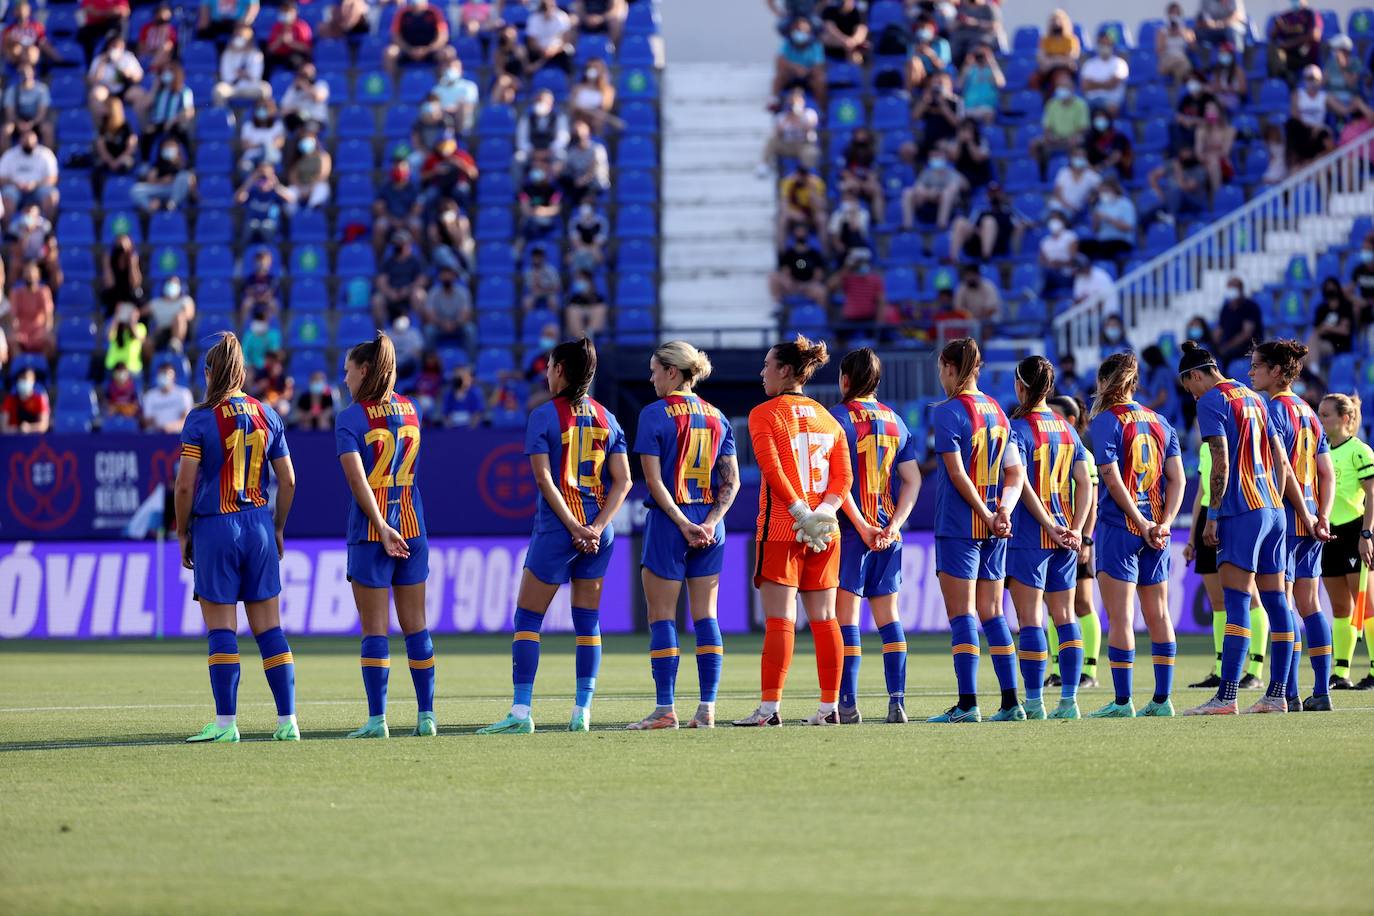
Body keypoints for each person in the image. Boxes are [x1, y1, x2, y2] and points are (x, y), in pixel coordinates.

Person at [478, 339, 632, 734]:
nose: (546, 373)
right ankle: (582, 712)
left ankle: (520, 713)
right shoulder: (607, 418)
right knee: (588, 622)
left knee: (528, 618)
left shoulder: (544, 416)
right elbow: (624, 481)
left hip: (557, 531)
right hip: (600, 532)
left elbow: (545, 480)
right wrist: (595, 528)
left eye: (549, 366)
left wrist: (574, 526)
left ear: (561, 369)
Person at [173, 333, 297, 743]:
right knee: (270, 629)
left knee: (222, 629)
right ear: (242, 372)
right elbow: (289, 480)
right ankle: (287, 722)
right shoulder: (267, 414)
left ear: (210, 373)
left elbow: (185, 487)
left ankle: (226, 724)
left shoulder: (200, 418)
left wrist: (182, 533)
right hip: (259, 524)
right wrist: (278, 527)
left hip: (216, 527)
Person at [732, 336, 853, 727]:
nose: (762, 371)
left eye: (768, 364)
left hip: (784, 529)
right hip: (825, 532)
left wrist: (801, 512)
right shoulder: (828, 418)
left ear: (785, 370)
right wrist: (824, 512)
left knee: (781, 621)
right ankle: (830, 708)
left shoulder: (764, 413)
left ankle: (768, 710)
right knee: (825, 619)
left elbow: (772, 469)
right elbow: (843, 477)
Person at [1177, 340, 1298, 715]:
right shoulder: (1256, 397)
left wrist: (1213, 515)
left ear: (1196, 376)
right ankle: (1276, 694)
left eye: (1189, 386)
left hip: (1241, 510)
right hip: (1273, 509)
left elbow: (1220, 461)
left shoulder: (1211, 401)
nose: (1191, 393)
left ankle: (1226, 696)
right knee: (1277, 602)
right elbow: (1281, 458)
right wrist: (1274, 500)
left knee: (1237, 603)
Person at [627, 342, 739, 730]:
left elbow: (653, 481)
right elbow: (732, 481)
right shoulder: (718, 417)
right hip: (710, 524)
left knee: (661, 617)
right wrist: (709, 522)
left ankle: (665, 709)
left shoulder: (653, 414)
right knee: (707, 616)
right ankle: (707, 708)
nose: (652, 377)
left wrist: (681, 522)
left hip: (670, 524)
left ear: (672, 372)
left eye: (655, 370)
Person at [333, 334, 436, 739]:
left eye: (347, 371)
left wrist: (379, 526)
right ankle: (426, 716)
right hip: (412, 526)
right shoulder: (413, 410)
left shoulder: (350, 418)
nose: (344, 380)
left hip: (371, 532)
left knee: (375, 631)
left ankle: (378, 720)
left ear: (364, 370)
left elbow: (358, 482)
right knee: (417, 628)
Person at [927, 337, 1026, 723]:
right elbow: (1015, 473)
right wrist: (1003, 510)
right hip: (995, 529)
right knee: (993, 613)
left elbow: (956, 473)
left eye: (941, 369)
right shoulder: (999, 411)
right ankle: (1011, 702)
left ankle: (968, 704)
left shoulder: (950, 411)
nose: (941, 377)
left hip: (960, 526)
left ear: (950, 368)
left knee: (963, 615)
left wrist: (986, 513)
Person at [1085, 352, 1186, 718]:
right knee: (1159, 614)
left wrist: (1139, 523)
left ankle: (1123, 701)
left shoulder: (1105, 421)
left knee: (1121, 618)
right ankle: (1162, 700)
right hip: (1158, 531)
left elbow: (1111, 477)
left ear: (1105, 382)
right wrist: (1165, 521)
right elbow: (1178, 479)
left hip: (1120, 528)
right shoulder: (1161, 422)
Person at [829, 349, 921, 724]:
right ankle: (896, 700)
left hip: (852, 532)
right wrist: (895, 525)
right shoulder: (897, 421)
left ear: (845, 379)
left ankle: (847, 704)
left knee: (846, 620)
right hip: (888, 532)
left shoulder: (836, 418)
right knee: (889, 618)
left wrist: (862, 525)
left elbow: (839, 481)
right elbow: (913, 480)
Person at [1004, 357, 1093, 719]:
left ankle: (1035, 702)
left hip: (1031, 537)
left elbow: (1021, 484)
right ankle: (1069, 700)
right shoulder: (1067, 430)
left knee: (1030, 621)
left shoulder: (1018, 428)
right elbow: (1086, 483)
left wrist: (1048, 525)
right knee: (1065, 617)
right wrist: (1074, 527)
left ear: (1021, 386)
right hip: (1066, 540)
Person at [1250, 340, 1337, 710]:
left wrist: (1301, 514)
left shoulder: (1272, 410)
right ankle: (1320, 692)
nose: (1250, 371)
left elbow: (1284, 470)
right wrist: (1322, 515)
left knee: (1282, 605)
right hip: (1313, 518)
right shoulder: (1308, 412)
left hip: (1286, 518)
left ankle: (1284, 692)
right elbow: (1326, 472)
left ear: (1276, 372)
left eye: (1256, 366)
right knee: (1310, 604)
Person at [1316, 394, 1374, 690]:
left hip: (1355, 532)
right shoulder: (1321, 450)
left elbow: (1372, 495)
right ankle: (1341, 673)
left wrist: (1367, 534)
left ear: (1345, 418)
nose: (1321, 418)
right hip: (1330, 534)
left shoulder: (1359, 450)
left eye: (1326, 414)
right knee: (1340, 607)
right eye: (1320, 413)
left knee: (1366, 606)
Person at [1030, 72, 1090, 175]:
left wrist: (1073, 137)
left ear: (1072, 89)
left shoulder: (1081, 105)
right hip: (1055, 138)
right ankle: (1041, 174)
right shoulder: (1052, 104)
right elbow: (1047, 126)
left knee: (1077, 142)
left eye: (1065, 87)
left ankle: (1073, 173)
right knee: (1035, 144)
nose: (1061, 90)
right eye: (1059, 87)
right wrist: (1049, 136)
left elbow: (1083, 128)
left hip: (1073, 138)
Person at [948, 182, 1021, 261]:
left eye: (997, 193)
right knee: (960, 221)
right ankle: (953, 258)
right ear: (987, 195)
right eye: (992, 193)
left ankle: (986, 257)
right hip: (978, 244)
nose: (994, 195)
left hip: (998, 245)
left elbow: (1020, 224)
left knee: (989, 221)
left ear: (1002, 194)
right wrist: (981, 232)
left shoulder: (1008, 212)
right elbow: (971, 226)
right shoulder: (980, 211)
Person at [901, 144, 966, 230]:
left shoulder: (952, 173)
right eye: (932, 156)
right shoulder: (926, 173)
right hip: (927, 205)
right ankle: (907, 225)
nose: (935, 158)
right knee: (907, 192)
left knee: (947, 193)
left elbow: (953, 188)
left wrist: (937, 193)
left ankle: (942, 224)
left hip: (949, 209)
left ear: (944, 157)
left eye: (937, 155)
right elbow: (918, 187)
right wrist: (929, 193)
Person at [0, 130, 60, 220]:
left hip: (39, 188)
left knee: (52, 195)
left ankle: (48, 229)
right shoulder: (10, 155)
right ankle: (8, 231)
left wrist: (35, 184)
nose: (28, 143)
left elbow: (53, 178)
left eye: (31, 141)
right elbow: (2, 178)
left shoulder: (46, 154)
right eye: (26, 141)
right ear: (20, 140)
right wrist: (16, 184)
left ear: (36, 140)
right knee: (6, 197)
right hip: (15, 189)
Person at [760, 88, 820, 175]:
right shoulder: (782, 116)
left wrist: (799, 119)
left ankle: (807, 174)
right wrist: (787, 120)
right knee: (772, 140)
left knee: (811, 152)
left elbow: (810, 130)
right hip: (787, 144)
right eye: (792, 102)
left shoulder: (809, 114)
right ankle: (764, 165)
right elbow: (777, 133)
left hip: (803, 144)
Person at [384, 0, 450, 79]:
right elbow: (395, 36)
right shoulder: (402, 13)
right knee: (390, 53)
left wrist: (427, 50)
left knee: (448, 53)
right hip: (407, 50)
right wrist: (409, 50)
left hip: (430, 50)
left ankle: (443, 86)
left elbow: (443, 36)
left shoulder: (434, 12)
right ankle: (393, 87)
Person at [86, 34, 146, 120]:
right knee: (95, 94)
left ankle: (136, 124)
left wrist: (128, 74)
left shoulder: (128, 58)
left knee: (139, 94)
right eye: (114, 46)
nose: (117, 49)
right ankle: (104, 123)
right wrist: (102, 64)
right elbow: (92, 80)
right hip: (106, 89)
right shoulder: (99, 59)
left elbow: (139, 76)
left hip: (125, 88)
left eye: (120, 46)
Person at [1305, 277, 1356, 376]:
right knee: (1304, 347)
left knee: (1309, 347)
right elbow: (1317, 330)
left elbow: (1344, 331)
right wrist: (1328, 328)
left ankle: (1313, 375)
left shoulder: (1345, 307)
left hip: (1338, 344)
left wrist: (1327, 328)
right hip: (1322, 343)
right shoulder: (1322, 309)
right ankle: (1313, 371)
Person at [1286, 65, 1334, 168]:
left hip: (1318, 132)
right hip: (1304, 131)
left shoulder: (1324, 96)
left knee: (1325, 135)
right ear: (1305, 79)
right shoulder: (1298, 94)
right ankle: (1296, 163)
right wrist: (1311, 128)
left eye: (1315, 79)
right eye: (1309, 78)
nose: (1312, 81)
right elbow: (1294, 114)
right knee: (1292, 125)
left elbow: (1344, 110)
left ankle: (1316, 162)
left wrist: (1358, 104)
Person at [142, 62, 195, 153]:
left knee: (182, 134)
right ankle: (146, 162)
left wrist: (174, 120)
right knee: (146, 135)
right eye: (164, 71)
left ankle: (189, 163)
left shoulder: (184, 91)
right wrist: (154, 87)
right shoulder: (159, 90)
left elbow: (188, 111)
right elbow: (146, 104)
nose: (166, 74)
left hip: (174, 122)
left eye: (169, 71)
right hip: (158, 123)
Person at [773, 16, 826, 107]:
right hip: (792, 75)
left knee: (820, 80)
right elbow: (780, 60)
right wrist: (795, 68)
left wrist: (807, 71)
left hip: (809, 75)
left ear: (809, 31)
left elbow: (819, 64)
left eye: (803, 29)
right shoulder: (787, 44)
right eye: (797, 29)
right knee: (779, 76)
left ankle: (821, 108)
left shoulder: (816, 45)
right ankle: (775, 102)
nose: (800, 32)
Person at [1079, 179, 1136, 261]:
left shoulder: (1125, 204)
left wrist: (1108, 219)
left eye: (1105, 190)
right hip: (1102, 240)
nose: (1102, 193)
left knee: (1104, 249)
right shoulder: (1101, 206)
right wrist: (1096, 220)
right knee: (1082, 246)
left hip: (1121, 240)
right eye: (1101, 191)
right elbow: (1095, 230)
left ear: (1114, 190)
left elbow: (1128, 227)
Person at [130, 137, 193, 212]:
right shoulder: (158, 164)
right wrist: (161, 180)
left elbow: (190, 182)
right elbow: (151, 181)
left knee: (184, 175)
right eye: (166, 146)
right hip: (161, 188)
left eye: (171, 146)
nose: (169, 149)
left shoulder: (184, 165)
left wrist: (174, 179)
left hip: (175, 190)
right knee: (136, 189)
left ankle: (172, 204)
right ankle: (151, 207)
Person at [771, 224, 827, 306]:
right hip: (793, 285)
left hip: (808, 286)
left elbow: (818, 275)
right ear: (794, 233)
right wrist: (794, 284)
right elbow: (785, 272)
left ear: (807, 233)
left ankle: (819, 315)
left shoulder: (814, 254)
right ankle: (777, 307)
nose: (800, 233)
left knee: (821, 291)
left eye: (802, 231)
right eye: (798, 231)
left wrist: (805, 285)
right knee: (773, 277)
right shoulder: (789, 253)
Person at [7, 262, 54, 359]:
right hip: (23, 331)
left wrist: (47, 329)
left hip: (38, 330)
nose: (30, 278)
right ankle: (21, 366)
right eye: (27, 274)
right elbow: (13, 315)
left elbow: (48, 314)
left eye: (32, 275)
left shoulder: (44, 291)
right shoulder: (16, 293)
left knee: (50, 341)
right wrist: (14, 329)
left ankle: (40, 366)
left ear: (38, 276)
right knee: (12, 341)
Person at [212, 25, 269, 106]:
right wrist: (237, 75)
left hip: (250, 87)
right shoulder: (228, 53)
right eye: (238, 36)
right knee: (218, 90)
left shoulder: (255, 54)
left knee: (265, 89)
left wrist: (246, 74)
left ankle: (259, 116)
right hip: (232, 87)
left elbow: (256, 76)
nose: (240, 39)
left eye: (242, 36)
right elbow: (225, 75)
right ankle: (223, 116)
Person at [1213, 276, 1264, 364]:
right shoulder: (1226, 308)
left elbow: (1246, 334)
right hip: (1227, 344)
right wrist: (1212, 343)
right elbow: (1219, 330)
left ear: (1240, 290)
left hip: (1247, 347)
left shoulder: (1250, 307)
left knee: (1226, 354)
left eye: (1233, 288)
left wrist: (1227, 346)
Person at [1268, 0, 1322, 81]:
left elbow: (1315, 35)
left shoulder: (1311, 14)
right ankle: (1279, 82)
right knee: (1273, 49)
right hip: (1288, 56)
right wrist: (1276, 28)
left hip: (1306, 56)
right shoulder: (1286, 16)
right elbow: (1272, 37)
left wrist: (1291, 43)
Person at [3, 64, 53, 150]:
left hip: (35, 122)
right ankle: (5, 160)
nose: (25, 76)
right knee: (6, 130)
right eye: (22, 73)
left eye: (27, 73)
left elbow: (41, 114)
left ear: (33, 73)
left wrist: (31, 124)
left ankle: (48, 158)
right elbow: (10, 114)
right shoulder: (12, 91)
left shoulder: (42, 89)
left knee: (48, 129)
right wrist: (19, 123)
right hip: (18, 122)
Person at [1048, 146, 1101, 223]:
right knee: (1047, 216)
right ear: (1072, 158)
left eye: (1082, 156)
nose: (1080, 158)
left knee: (1060, 219)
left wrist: (1093, 196)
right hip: (1057, 206)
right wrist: (1067, 205)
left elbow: (1103, 188)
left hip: (1075, 211)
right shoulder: (1064, 172)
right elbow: (1057, 193)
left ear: (1086, 158)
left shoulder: (1091, 175)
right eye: (1077, 156)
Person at [284, 130, 331, 215]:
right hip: (300, 186)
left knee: (322, 188)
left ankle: (310, 212)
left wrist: (311, 188)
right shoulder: (297, 158)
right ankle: (293, 216)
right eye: (303, 140)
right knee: (289, 192)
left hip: (315, 185)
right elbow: (292, 177)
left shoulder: (323, 156)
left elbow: (323, 175)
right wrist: (301, 188)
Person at [1080, 34, 1129, 115]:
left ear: (1112, 46)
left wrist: (1093, 84)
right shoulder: (1090, 64)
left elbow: (1112, 84)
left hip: (1111, 102)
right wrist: (1105, 83)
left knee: (1110, 108)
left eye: (1107, 44)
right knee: (1079, 108)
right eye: (1102, 44)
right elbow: (1085, 86)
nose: (1105, 47)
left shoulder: (1120, 63)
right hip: (1091, 101)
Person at [1194, 101, 1236, 194]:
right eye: (1207, 109)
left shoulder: (1229, 130)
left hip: (1223, 164)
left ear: (1220, 112)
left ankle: (1218, 196)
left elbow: (1225, 152)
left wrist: (1211, 155)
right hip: (1205, 163)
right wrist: (1206, 157)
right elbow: (1198, 152)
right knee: (1210, 163)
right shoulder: (1201, 131)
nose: (1209, 112)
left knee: (1214, 162)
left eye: (1213, 109)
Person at [264, 1, 313, 77]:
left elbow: (307, 49)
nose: (285, 13)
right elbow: (270, 49)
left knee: (293, 61)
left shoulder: (301, 26)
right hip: (279, 55)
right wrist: (279, 41)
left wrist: (291, 43)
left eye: (288, 11)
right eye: (283, 11)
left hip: (295, 55)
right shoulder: (277, 27)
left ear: (295, 12)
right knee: (267, 61)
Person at [958, 44, 1004, 124]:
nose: (980, 57)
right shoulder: (970, 70)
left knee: (988, 115)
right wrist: (967, 64)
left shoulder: (991, 71)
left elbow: (1000, 84)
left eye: (983, 54)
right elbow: (958, 86)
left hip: (986, 108)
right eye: (978, 54)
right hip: (969, 108)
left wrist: (991, 62)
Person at [432, 58, 479, 134]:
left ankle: (462, 134)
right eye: (449, 67)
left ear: (461, 70)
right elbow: (433, 105)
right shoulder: (437, 88)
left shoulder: (470, 86)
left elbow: (470, 104)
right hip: (443, 117)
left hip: (462, 117)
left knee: (464, 107)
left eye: (455, 67)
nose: (452, 69)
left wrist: (454, 108)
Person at [568, 58, 616, 134]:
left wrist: (585, 109)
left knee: (599, 119)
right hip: (579, 118)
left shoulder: (607, 90)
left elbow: (605, 108)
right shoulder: (578, 88)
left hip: (597, 121)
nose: (593, 69)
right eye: (590, 67)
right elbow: (573, 107)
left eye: (596, 67)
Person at [524, 0, 573, 73]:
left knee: (568, 51)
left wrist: (554, 50)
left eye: (551, 7)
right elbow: (531, 41)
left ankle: (567, 78)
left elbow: (566, 39)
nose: (549, 10)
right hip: (539, 50)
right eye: (546, 7)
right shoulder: (534, 19)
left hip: (557, 50)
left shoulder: (562, 17)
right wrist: (542, 50)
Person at [142, 363, 192, 433]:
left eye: (166, 373)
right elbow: (147, 421)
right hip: (156, 436)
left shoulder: (183, 394)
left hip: (177, 436)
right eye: (161, 374)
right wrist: (159, 429)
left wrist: (169, 428)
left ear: (174, 377)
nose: (164, 376)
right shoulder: (150, 396)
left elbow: (186, 421)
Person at [1036, 8, 1080, 87]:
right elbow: (1041, 57)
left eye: (1059, 20)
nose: (1056, 23)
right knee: (1034, 79)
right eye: (1053, 20)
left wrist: (1053, 61)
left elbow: (1071, 58)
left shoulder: (1071, 39)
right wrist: (1059, 59)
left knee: (1057, 77)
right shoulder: (1045, 40)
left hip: (1065, 68)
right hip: (1048, 69)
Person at [280, 64, 329, 134]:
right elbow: (283, 109)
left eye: (308, 74)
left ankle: (309, 142)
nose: (305, 77)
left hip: (316, 119)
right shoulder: (293, 88)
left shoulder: (321, 85)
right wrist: (294, 109)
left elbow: (318, 98)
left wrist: (304, 86)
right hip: (299, 117)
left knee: (309, 127)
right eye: (303, 74)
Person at [1156, 3, 1197, 83]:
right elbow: (1159, 51)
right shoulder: (1162, 32)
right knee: (1184, 65)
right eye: (1172, 13)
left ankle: (1177, 90)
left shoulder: (1186, 31)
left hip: (1181, 59)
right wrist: (1168, 34)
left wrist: (1183, 35)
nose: (1174, 15)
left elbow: (1193, 48)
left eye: (1177, 13)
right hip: (1167, 60)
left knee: (1180, 68)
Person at [1, 367, 49, 433]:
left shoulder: (40, 399)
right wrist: (19, 429)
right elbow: (4, 427)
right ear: (17, 381)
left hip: (34, 439)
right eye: (22, 379)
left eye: (27, 379)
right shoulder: (10, 399)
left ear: (33, 381)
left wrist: (29, 428)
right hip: (13, 439)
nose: (24, 381)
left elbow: (44, 426)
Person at [564, 272, 606, 338]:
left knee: (600, 309)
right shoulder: (574, 292)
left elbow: (600, 301)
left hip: (592, 309)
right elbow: (570, 302)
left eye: (582, 279)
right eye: (578, 279)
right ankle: (581, 339)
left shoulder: (595, 290)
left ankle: (590, 336)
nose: (580, 281)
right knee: (572, 310)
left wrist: (589, 293)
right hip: (578, 309)